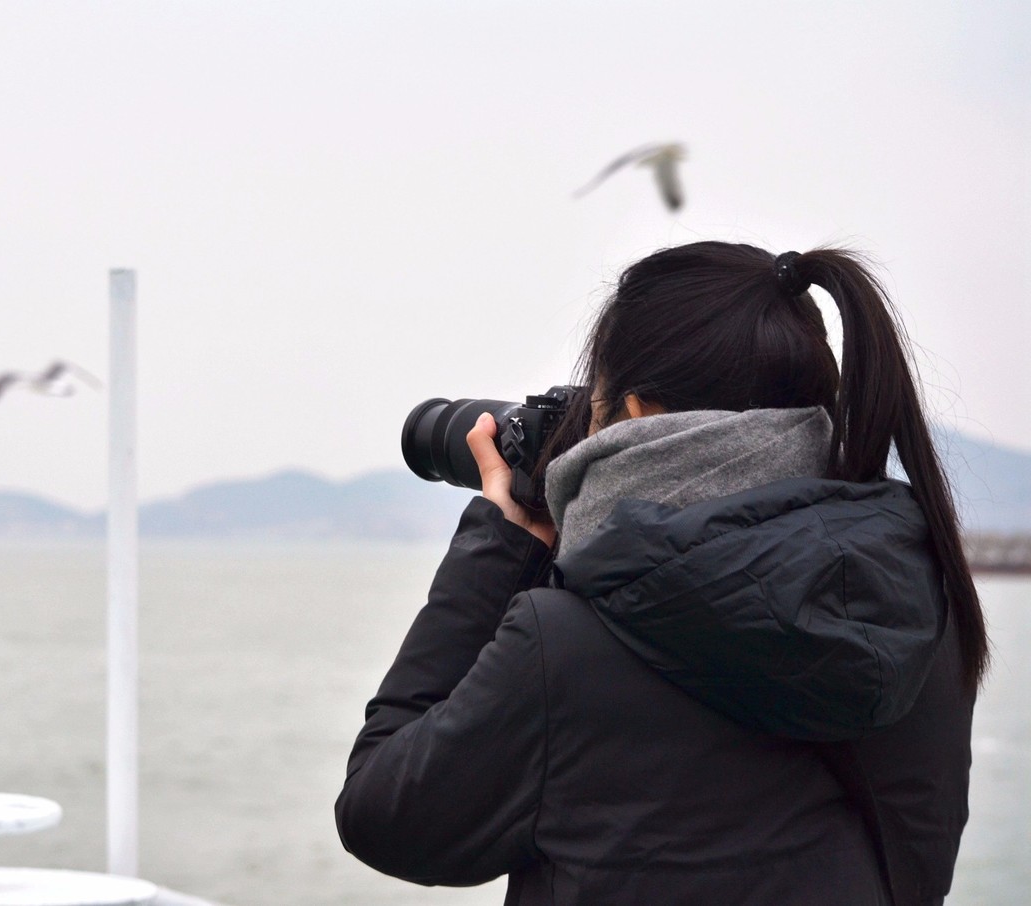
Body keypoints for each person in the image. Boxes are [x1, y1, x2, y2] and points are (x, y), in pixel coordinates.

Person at [335, 242, 985, 905]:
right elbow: (917, 865)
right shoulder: (913, 604)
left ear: (639, 414)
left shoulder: (565, 646)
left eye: (595, 413)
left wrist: (504, 543)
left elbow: (380, 811)